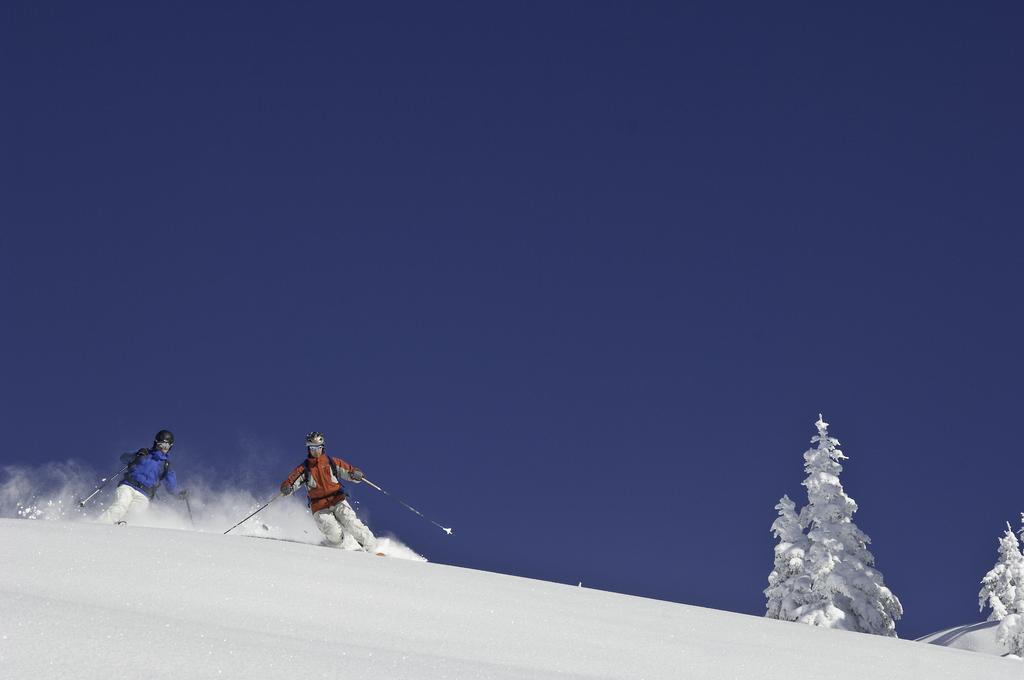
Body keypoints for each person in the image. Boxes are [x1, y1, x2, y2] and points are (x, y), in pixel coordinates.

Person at [280, 431, 378, 552]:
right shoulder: (304, 469)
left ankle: (373, 548)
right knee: (333, 532)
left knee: (351, 522)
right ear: (308, 449)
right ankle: (337, 547)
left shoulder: (332, 462)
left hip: (337, 499)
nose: (316, 451)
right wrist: (287, 487)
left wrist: (356, 474)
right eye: (312, 448)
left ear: (323, 447)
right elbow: (291, 481)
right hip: (319, 506)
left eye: (318, 448)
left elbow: (349, 471)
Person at [97, 429, 187, 524]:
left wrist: (179, 494)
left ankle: (121, 531)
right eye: (161, 444)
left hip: (144, 494)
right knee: (120, 506)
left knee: (134, 514)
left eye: (166, 446)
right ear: (156, 443)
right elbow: (123, 458)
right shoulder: (145, 453)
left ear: (170, 447)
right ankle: (100, 525)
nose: (163, 448)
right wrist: (136, 454)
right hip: (128, 486)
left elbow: (171, 487)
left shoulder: (166, 465)